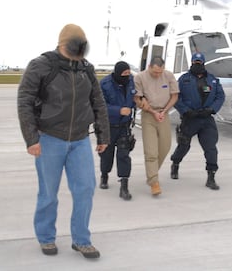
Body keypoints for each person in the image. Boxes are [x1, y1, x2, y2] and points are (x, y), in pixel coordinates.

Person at [17, 24, 110, 259]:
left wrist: (103, 135)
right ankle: (46, 237)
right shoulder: (41, 65)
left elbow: (97, 102)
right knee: (48, 192)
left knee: (86, 189)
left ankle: (81, 239)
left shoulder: (86, 69)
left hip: (79, 140)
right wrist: (31, 138)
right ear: (62, 43)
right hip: (49, 139)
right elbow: (25, 101)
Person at [169, 52, 225, 190]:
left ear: (204, 63)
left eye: (200, 63)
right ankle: (175, 163)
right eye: (195, 63)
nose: (197, 65)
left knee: (211, 148)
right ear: (192, 63)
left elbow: (220, 96)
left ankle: (211, 177)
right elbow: (176, 97)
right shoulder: (184, 79)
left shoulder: (212, 80)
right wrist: (185, 110)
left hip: (206, 119)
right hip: (190, 119)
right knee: (183, 145)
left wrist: (212, 109)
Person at [134, 56, 179, 196]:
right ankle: (154, 181)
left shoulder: (169, 75)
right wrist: (152, 111)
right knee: (151, 151)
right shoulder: (140, 77)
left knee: (165, 146)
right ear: (149, 67)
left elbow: (174, 96)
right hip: (148, 114)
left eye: (160, 72)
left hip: (163, 114)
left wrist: (164, 111)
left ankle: (151, 171)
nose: (158, 75)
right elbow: (137, 98)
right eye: (155, 72)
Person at [98, 61, 136, 200]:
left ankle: (124, 186)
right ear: (117, 73)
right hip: (108, 126)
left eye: (128, 73)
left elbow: (134, 96)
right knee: (106, 155)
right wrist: (119, 110)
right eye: (124, 74)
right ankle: (104, 175)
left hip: (124, 126)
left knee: (124, 155)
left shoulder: (131, 81)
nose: (127, 76)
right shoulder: (105, 84)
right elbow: (100, 105)